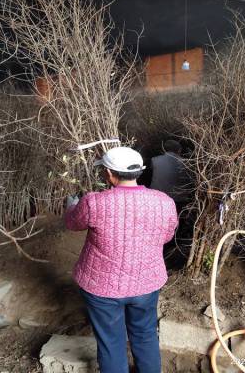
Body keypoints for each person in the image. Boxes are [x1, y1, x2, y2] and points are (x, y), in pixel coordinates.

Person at [65, 146, 178, 373]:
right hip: (145, 284)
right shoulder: (164, 201)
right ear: (138, 172)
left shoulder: (93, 202)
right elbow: (167, 235)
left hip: (101, 288)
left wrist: (71, 206)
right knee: (145, 334)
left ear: (108, 174)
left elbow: (72, 223)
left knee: (111, 342)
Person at [150, 139, 185, 205]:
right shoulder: (186, 163)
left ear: (164, 149)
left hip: (157, 197)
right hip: (178, 199)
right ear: (179, 150)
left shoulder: (154, 160)